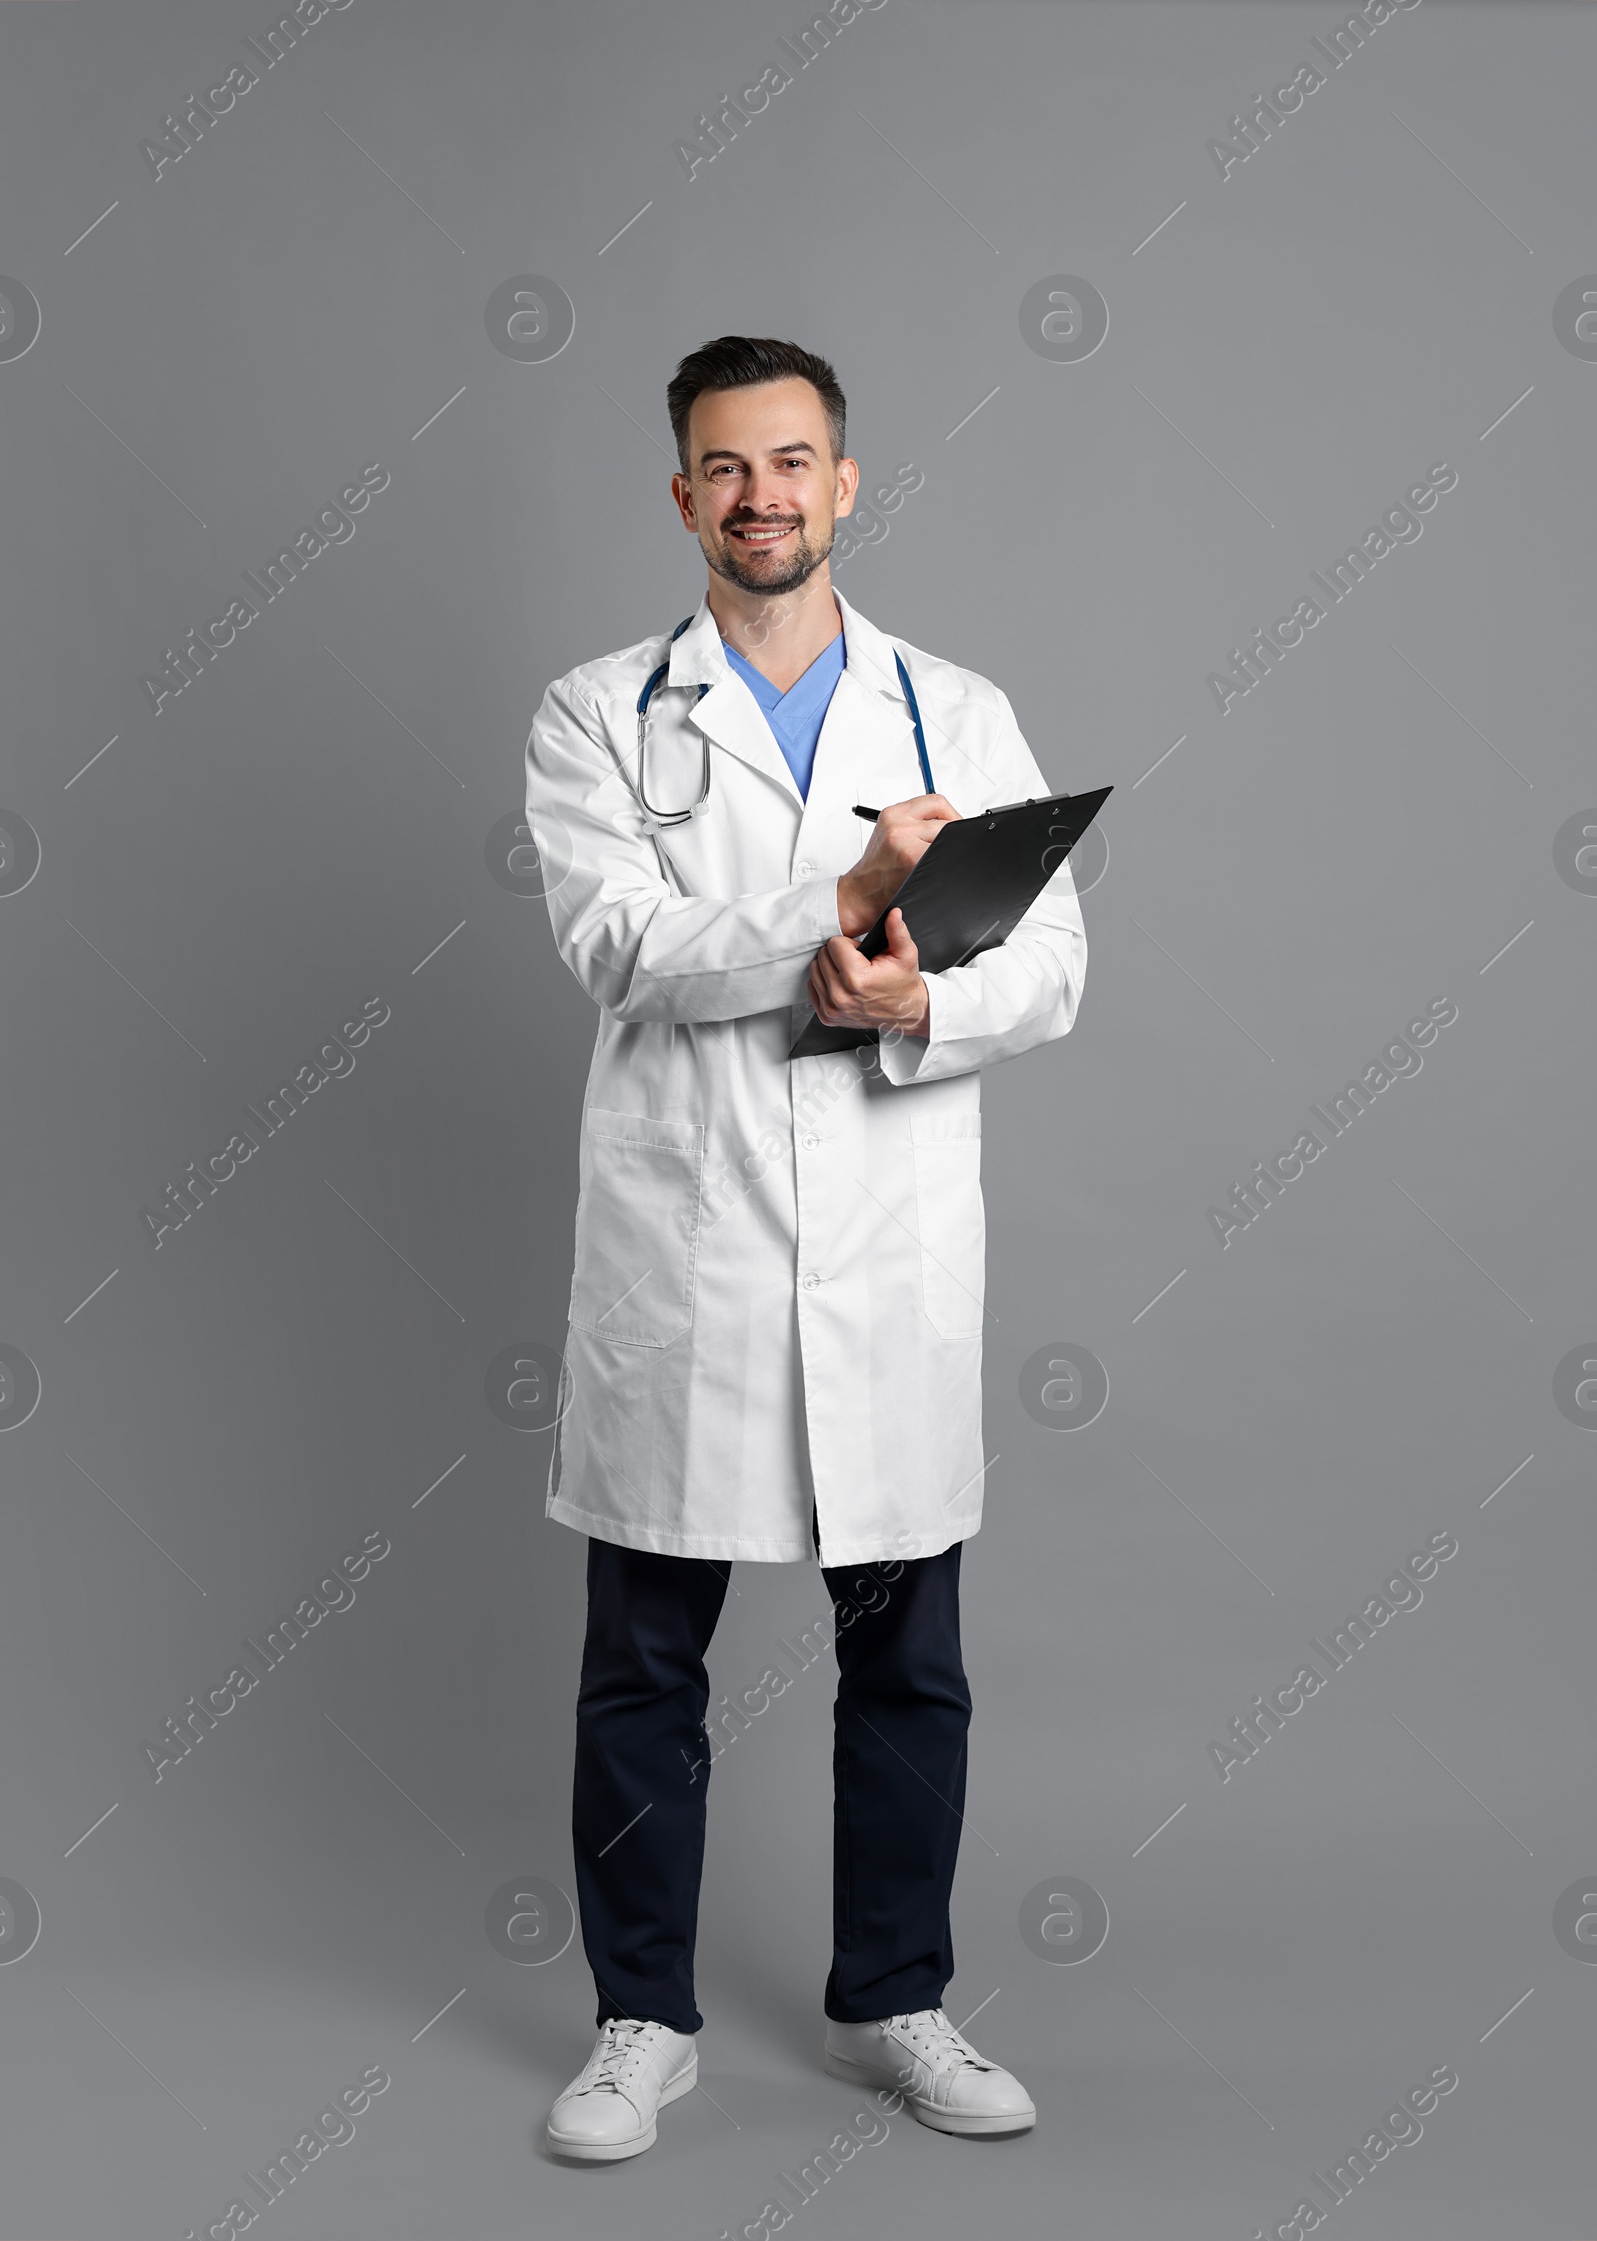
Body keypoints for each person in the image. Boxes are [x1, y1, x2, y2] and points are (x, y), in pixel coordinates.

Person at [523, 336, 1089, 2162]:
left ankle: (892, 1998)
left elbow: (1056, 964)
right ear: (680, 494)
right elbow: (622, 944)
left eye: (793, 461)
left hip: (885, 1248)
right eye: (723, 466)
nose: (762, 494)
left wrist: (919, 991)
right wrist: (831, 910)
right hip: (681, 1260)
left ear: (849, 481)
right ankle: (638, 2019)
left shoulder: (957, 711)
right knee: (645, 1664)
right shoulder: (599, 712)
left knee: (908, 1655)